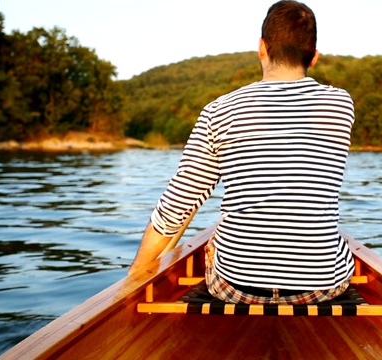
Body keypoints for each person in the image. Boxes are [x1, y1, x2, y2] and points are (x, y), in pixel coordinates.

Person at [129, 0, 355, 304]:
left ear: (262, 48)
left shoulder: (219, 110)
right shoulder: (340, 105)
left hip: (237, 290)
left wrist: (133, 281)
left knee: (216, 234)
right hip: (321, 288)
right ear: (313, 57)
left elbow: (177, 206)